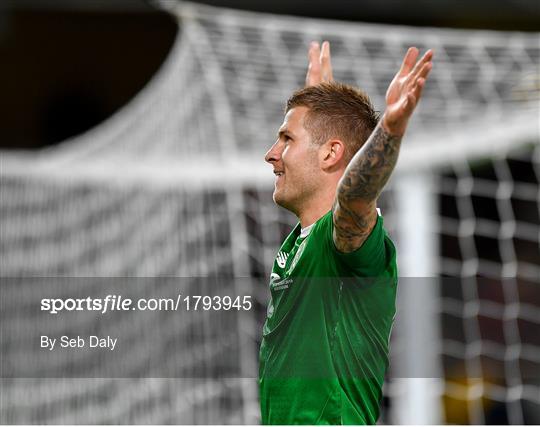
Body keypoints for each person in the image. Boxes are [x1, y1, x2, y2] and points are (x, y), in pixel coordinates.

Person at [258, 41, 433, 424]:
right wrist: (325, 99)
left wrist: (389, 129)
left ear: (330, 154)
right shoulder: (302, 243)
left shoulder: (347, 245)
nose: (271, 153)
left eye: (287, 139)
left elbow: (354, 195)